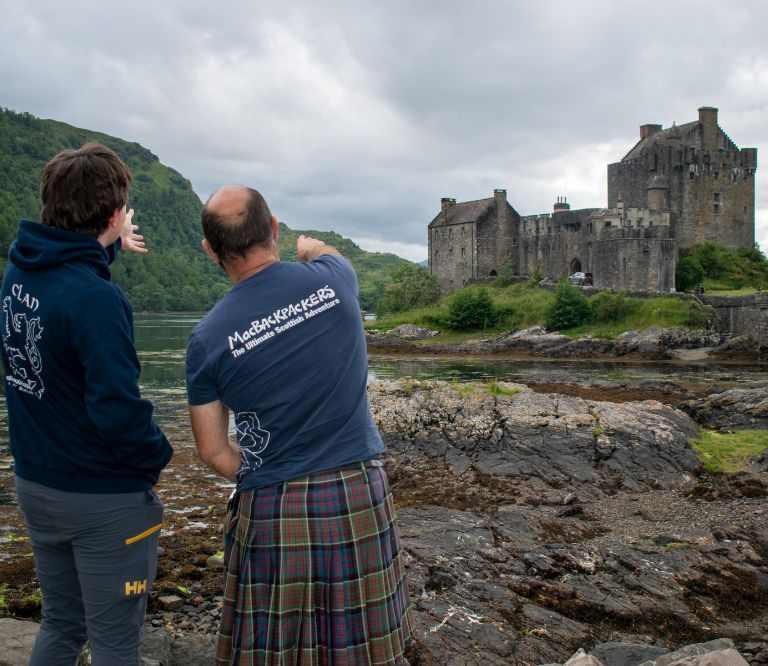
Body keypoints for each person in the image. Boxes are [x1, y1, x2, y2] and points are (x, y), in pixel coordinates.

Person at [186, 186, 412, 664]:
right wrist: (309, 247)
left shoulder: (206, 338)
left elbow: (211, 449)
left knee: (276, 650)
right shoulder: (334, 278)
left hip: (272, 506)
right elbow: (327, 252)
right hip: (356, 493)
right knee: (361, 649)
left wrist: (263, 474)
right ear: (273, 229)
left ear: (210, 250)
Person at [1, 142, 173, 665]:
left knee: (61, 625)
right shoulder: (98, 299)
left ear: (50, 203)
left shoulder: (20, 273)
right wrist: (154, 459)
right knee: (117, 645)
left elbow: (68, 288)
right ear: (116, 211)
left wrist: (107, 241)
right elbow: (116, 409)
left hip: (36, 483)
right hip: (103, 500)